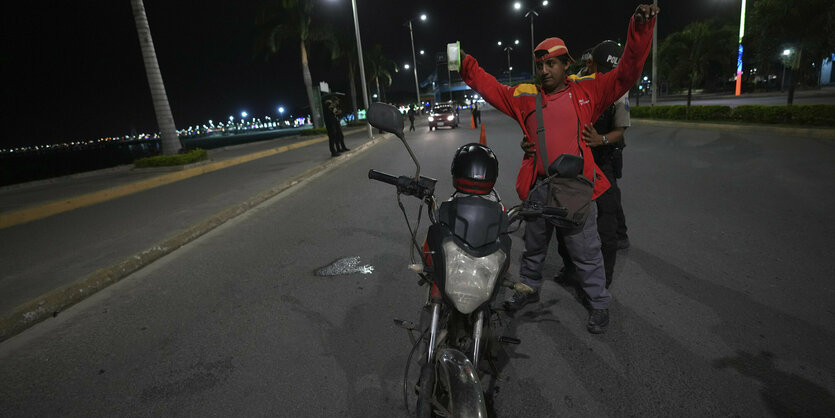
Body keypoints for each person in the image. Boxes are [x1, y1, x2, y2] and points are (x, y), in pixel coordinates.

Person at [457, 4, 658, 334]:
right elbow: (490, 86)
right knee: (533, 249)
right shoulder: (525, 96)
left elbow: (627, 72)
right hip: (539, 186)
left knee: (587, 253)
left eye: (552, 63)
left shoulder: (588, 90)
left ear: (568, 65)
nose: (545, 70)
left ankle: (599, 303)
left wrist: (640, 29)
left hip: (576, 189)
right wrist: (464, 62)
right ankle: (529, 290)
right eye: (540, 64)